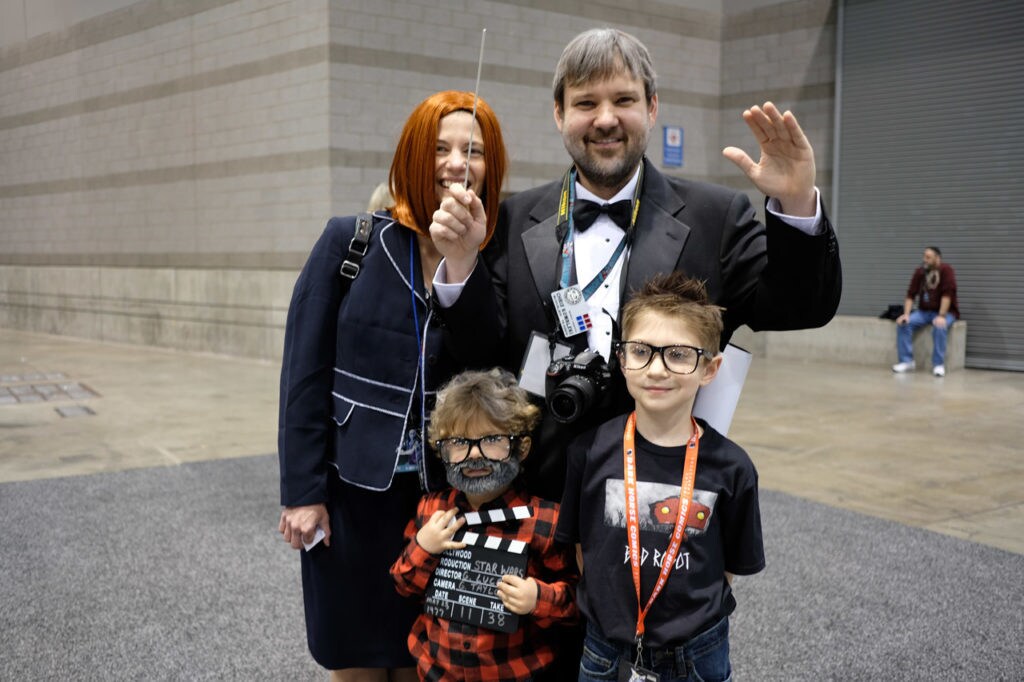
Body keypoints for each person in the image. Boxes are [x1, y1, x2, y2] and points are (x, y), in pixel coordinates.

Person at [428, 27, 842, 501]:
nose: (605, 119)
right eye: (586, 103)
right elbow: (481, 349)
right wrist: (460, 263)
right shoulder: (512, 218)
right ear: (559, 114)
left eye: (623, 100)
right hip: (542, 496)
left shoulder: (717, 216)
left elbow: (801, 308)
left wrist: (794, 203)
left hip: (666, 498)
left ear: (652, 108)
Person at [276, 90, 507, 681]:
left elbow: (489, 369)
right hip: (352, 497)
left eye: (474, 150)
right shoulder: (350, 243)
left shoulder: (493, 258)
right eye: (441, 148)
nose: (458, 162)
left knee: (425, 659)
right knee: (352, 656)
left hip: (441, 502)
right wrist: (302, 492)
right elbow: (303, 374)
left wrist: (463, 263)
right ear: (412, 156)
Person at [556, 272, 764, 681]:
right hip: (605, 650)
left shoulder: (732, 467)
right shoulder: (589, 452)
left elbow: (727, 569)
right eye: (642, 352)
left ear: (710, 368)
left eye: (680, 354)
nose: (656, 369)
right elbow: (583, 550)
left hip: (697, 652)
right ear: (622, 359)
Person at [390, 369, 578, 681]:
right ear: (441, 450)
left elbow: (576, 605)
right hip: (438, 671)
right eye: (459, 442)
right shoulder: (431, 509)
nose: (474, 456)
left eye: (492, 441)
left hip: (513, 673)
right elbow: (402, 584)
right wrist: (423, 547)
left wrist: (538, 598)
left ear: (522, 448)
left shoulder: (546, 521)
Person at [891, 246, 959, 377]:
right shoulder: (920, 272)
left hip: (946, 312)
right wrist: (906, 314)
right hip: (924, 312)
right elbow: (911, 294)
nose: (925, 260)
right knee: (904, 323)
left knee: (939, 326)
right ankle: (907, 361)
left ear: (937, 258)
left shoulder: (946, 270)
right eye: (924, 256)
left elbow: (947, 296)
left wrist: (941, 315)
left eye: (928, 257)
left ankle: (938, 364)